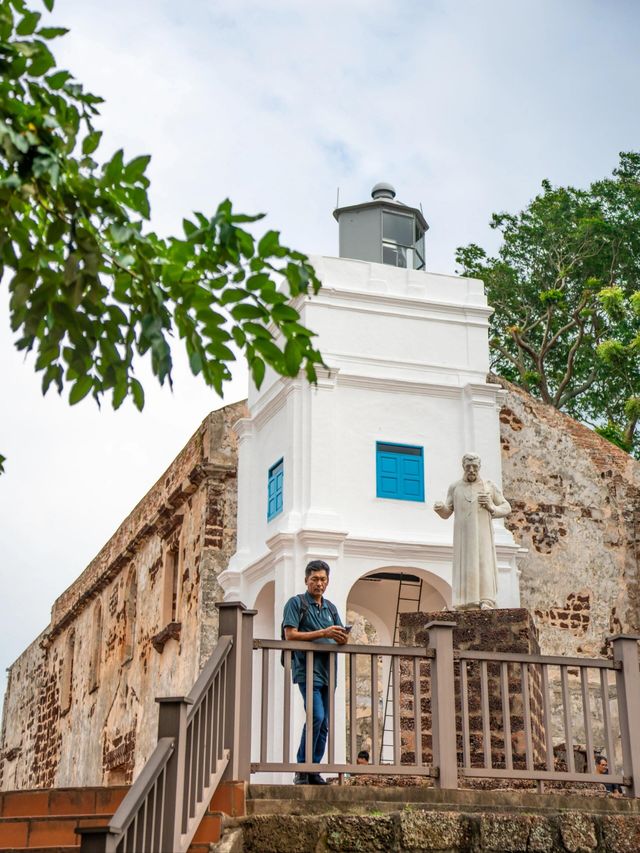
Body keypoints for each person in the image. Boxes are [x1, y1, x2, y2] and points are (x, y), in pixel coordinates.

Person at [282, 560, 348, 785]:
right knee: (316, 717)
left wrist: (342, 636)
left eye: (323, 579)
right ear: (306, 580)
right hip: (307, 670)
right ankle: (302, 768)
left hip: (330, 671)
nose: (319, 583)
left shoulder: (331, 608)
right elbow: (290, 634)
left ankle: (313, 769)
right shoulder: (296, 603)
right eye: (315, 579)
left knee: (324, 723)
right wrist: (323, 632)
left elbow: (339, 634)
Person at [434, 453, 511, 609]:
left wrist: (491, 507)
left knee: (483, 562)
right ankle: (462, 602)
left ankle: (486, 600)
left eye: (474, 466)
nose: (471, 470)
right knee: (463, 564)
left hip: (482, 534)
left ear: (479, 467)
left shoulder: (489, 486)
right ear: (463, 466)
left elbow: (506, 507)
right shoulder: (455, 487)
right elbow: (447, 511)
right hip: (462, 535)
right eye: (468, 466)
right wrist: (440, 508)